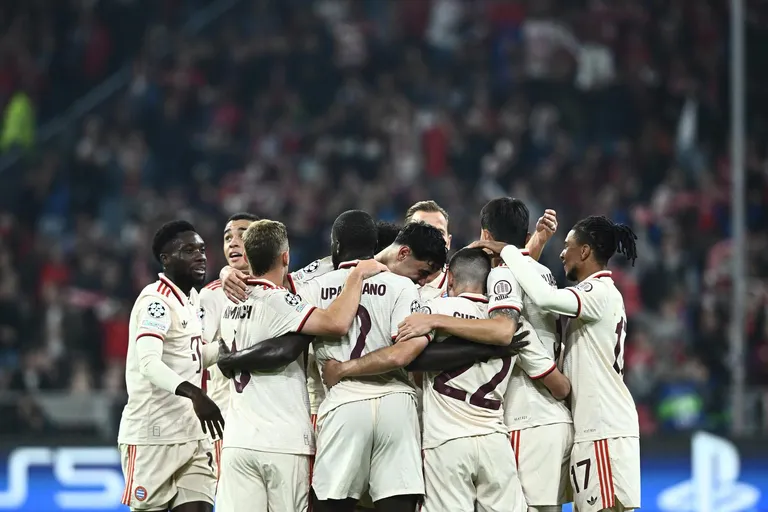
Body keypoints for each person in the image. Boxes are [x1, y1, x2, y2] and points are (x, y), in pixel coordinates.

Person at [215, 219, 387, 512]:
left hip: (237, 441)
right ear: (285, 257)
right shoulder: (280, 301)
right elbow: (336, 323)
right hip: (283, 442)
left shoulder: (229, 303)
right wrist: (357, 275)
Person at [472, 215, 641, 512]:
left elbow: (544, 297)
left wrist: (508, 251)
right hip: (593, 427)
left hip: (603, 428)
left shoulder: (598, 291)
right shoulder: (597, 296)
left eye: (567, 246)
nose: (562, 254)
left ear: (585, 251)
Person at [293, 210, 444, 512]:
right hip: (397, 403)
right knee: (397, 503)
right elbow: (403, 353)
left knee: (331, 504)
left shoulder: (311, 286)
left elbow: (271, 289)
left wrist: (229, 274)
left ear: (336, 246)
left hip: (343, 402)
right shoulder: (403, 286)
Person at [118, 220, 224, 512]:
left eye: (202, 249)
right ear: (166, 259)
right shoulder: (156, 301)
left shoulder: (191, 299)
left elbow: (191, 356)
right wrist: (196, 394)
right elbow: (149, 363)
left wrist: (230, 350)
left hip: (193, 433)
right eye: (189, 251)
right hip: (153, 436)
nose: (200, 256)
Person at [413, 247, 528, 512]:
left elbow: (410, 358)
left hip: (446, 440)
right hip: (494, 439)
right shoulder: (509, 322)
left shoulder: (436, 309)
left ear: (450, 279)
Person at [199, 212, 259, 477]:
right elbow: (194, 355)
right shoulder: (211, 295)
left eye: (242, 235)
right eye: (227, 238)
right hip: (229, 421)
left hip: (274, 420)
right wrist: (229, 346)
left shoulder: (281, 290)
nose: (233, 242)